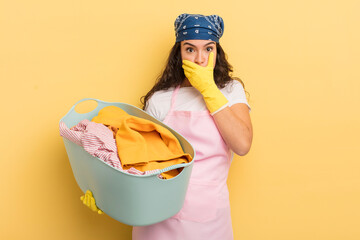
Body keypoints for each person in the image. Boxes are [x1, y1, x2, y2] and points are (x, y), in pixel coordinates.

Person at [132, 13, 253, 240]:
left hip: (208, 220)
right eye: (190, 49)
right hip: (156, 215)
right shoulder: (160, 99)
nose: (199, 59)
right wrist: (109, 194)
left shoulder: (229, 91)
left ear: (217, 52)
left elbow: (242, 144)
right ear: (179, 53)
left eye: (208, 49)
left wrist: (208, 89)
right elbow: (140, 161)